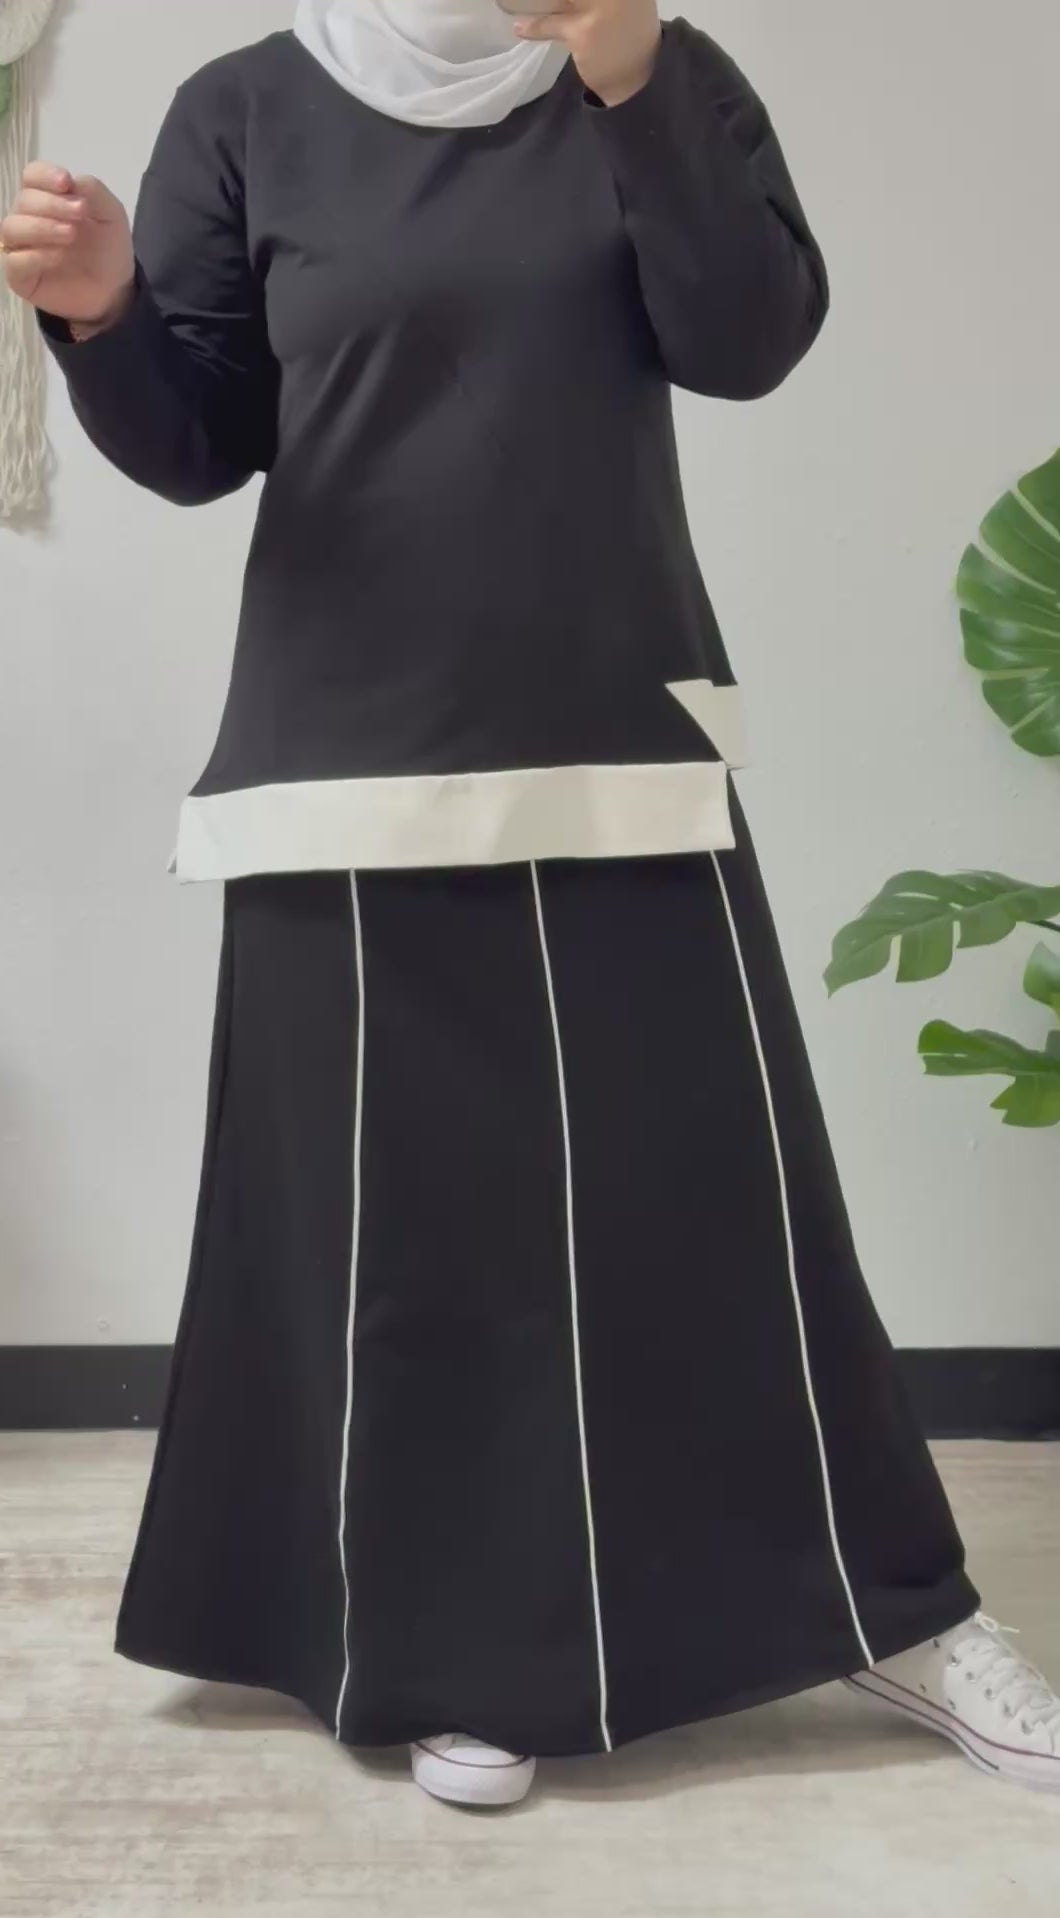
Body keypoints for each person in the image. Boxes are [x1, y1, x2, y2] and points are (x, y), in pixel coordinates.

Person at [4, 0, 1057, 1810]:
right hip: (347, 759)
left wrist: (632, 84)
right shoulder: (249, 110)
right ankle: (461, 1647)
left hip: (614, 727)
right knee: (405, 1240)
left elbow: (748, 339)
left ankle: (889, 1605)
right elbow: (200, 439)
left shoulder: (657, 70)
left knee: (729, 1199)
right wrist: (103, 312)